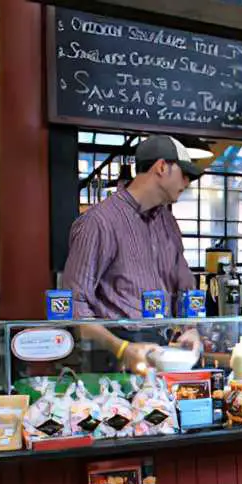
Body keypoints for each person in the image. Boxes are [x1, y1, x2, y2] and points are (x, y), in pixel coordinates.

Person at [62, 135, 204, 371]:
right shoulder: (99, 222)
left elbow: (183, 287)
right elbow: (75, 306)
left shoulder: (168, 223)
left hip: (163, 351)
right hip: (113, 358)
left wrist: (189, 329)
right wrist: (120, 348)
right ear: (161, 167)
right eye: (184, 173)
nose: (188, 181)